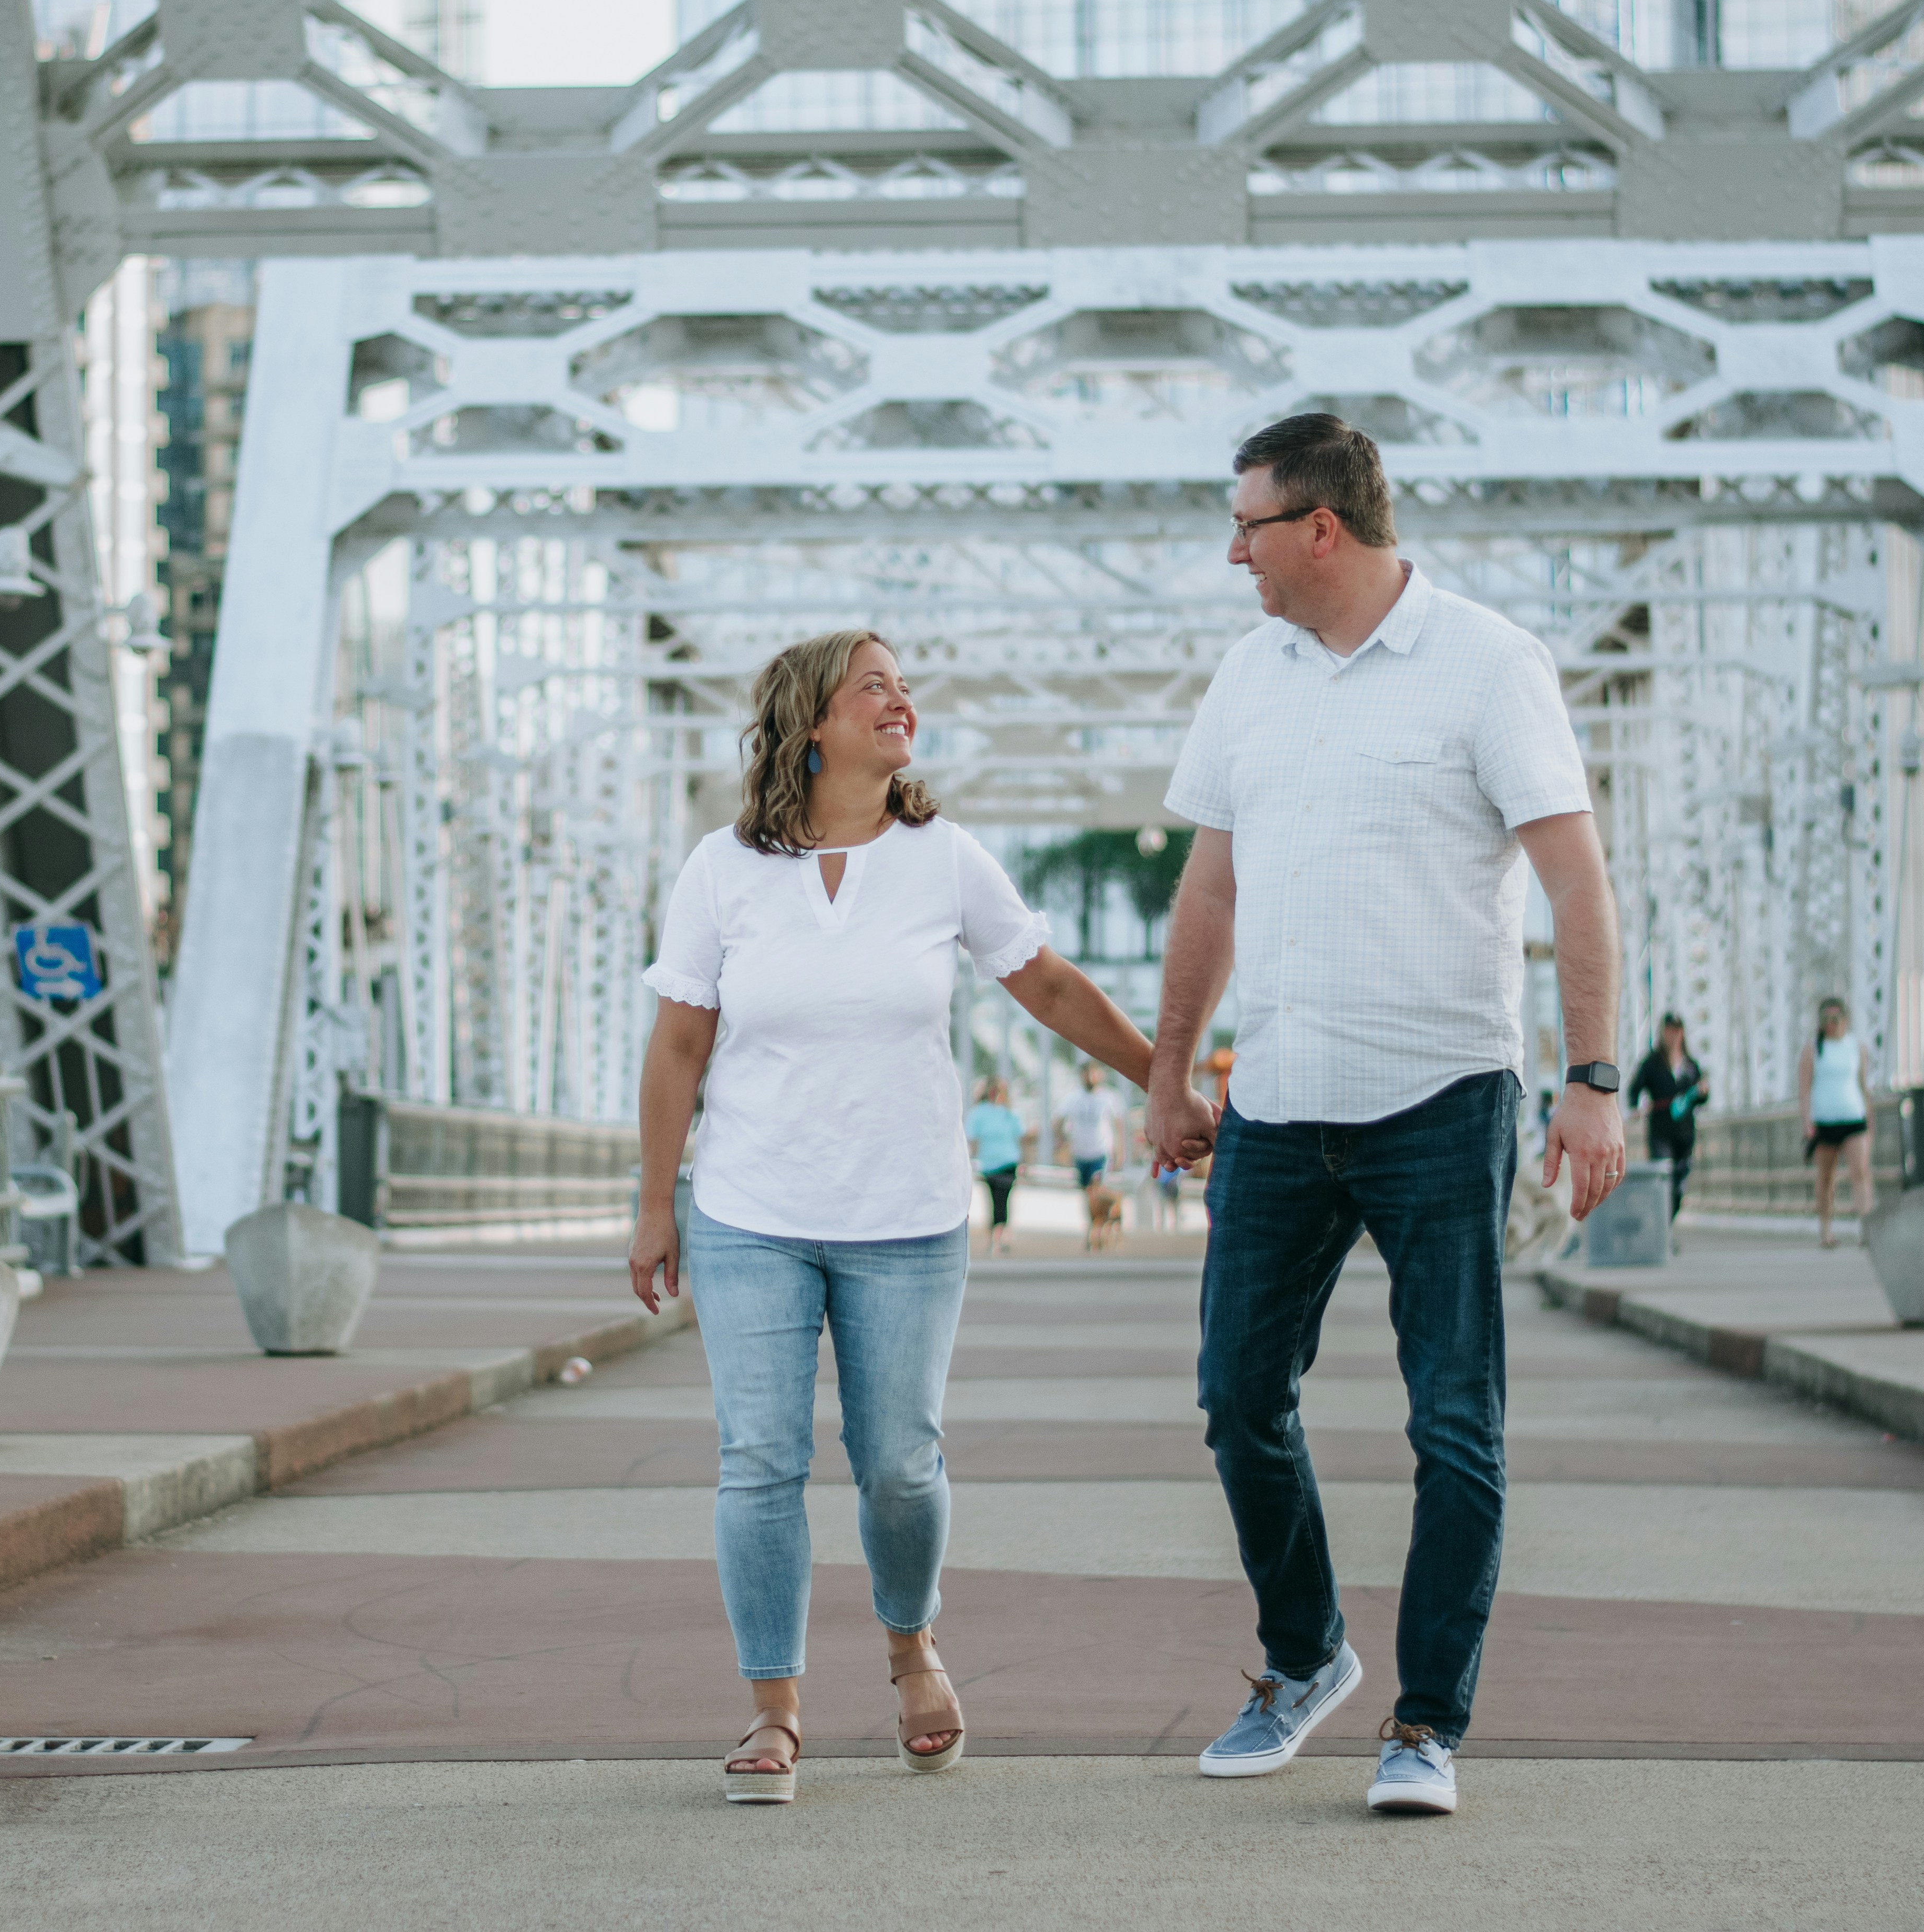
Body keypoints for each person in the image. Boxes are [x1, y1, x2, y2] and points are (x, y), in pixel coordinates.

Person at [1145, 413, 1624, 1819]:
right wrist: (1170, 1074)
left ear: (1320, 529)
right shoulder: (1249, 671)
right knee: (1239, 1396)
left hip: (1443, 1095)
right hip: (1280, 1105)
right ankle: (1305, 1661)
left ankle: (1425, 1722)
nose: (1232, 549)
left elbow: (1577, 884)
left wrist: (1593, 1082)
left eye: (1248, 523)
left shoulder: (1488, 661)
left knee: (1454, 1423)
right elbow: (1209, 892)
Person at [627, 628, 1155, 1806]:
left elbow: (1049, 986)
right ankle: (773, 1711)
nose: (900, 702)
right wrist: (653, 1203)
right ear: (812, 721)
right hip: (750, 1209)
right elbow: (677, 1044)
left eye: (905, 688)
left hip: (905, 1213)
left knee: (898, 1467)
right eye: (875, 687)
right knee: (758, 1460)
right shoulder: (720, 868)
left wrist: (1159, 1078)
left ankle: (911, 1645)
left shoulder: (943, 857)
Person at [1799, 997, 1875, 1250]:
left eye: (1835, 1019)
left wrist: (1870, 1119)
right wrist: (1807, 1122)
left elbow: (1864, 1087)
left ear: (1845, 1020)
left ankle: (1867, 1228)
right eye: (1826, 1020)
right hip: (1825, 1121)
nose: (1831, 1024)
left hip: (1854, 1116)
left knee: (1860, 1172)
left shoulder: (1856, 1047)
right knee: (1826, 1177)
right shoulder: (1813, 1049)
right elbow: (1805, 1089)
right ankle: (1826, 1231)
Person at [1629, 1014, 1708, 1228]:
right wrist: (1635, 1107)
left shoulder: (1691, 1066)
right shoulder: (1652, 1063)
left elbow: (1702, 1099)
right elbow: (1635, 1088)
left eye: (1677, 1030)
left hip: (1684, 1133)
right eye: (1669, 1030)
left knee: (1679, 1184)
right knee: (1663, 1178)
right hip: (1660, 1131)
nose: (1673, 1036)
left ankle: (1666, 1227)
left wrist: (1702, 1093)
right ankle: (1660, 1230)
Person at [965, 1078, 1025, 1251]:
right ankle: (996, 1234)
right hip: (990, 1163)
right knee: (993, 1200)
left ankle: (1001, 1234)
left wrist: (1024, 1162)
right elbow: (972, 1139)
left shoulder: (1009, 1113)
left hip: (1008, 1161)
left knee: (1003, 1199)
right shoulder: (979, 1113)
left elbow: (1020, 1138)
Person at [1055, 1063, 1128, 1194]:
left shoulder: (1109, 1097)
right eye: (1086, 1074)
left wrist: (1120, 1152)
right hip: (1080, 1154)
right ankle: (1091, 1214)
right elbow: (1058, 1121)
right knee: (1086, 1191)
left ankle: (1099, 1214)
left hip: (1100, 1152)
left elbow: (1119, 1126)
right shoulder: (1073, 1098)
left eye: (1093, 1073)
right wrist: (1063, 1141)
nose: (1090, 1077)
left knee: (1097, 1189)